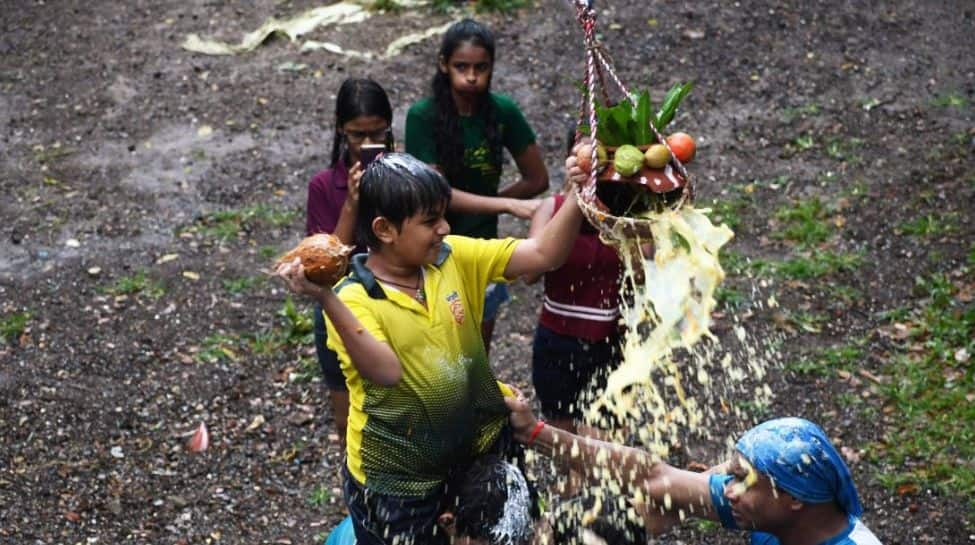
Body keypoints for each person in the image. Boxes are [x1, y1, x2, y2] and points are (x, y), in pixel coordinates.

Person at [277, 152, 586, 545]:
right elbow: (388, 372)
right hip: (399, 481)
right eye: (429, 220)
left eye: (443, 215)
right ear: (384, 229)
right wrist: (326, 299)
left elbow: (543, 255)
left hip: (480, 451)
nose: (444, 227)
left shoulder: (452, 258)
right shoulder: (354, 300)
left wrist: (579, 194)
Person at [504, 394, 883, 545]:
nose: (728, 489)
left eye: (743, 481)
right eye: (733, 476)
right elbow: (654, 478)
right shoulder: (775, 510)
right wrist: (536, 432)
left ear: (795, 499)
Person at [406, 18, 549, 352]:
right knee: (437, 348)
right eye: (461, 66)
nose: (471, 76)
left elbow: (537, 178)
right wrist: (504, 204)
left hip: (484, 248)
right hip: (432, 249)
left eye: (480, 67)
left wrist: (490, 201)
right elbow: (435, 195)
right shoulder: (422, 116)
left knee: (476, 352)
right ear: (443, 65)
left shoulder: (502, 112)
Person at [305, 78, 393, 447]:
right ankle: (356, 494)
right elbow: (325, 264)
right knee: (347, 421)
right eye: (358, 135)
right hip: (340, 305)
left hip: (392, 302)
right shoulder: (325, 185)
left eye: (377, 133)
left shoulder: (404, 175)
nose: (366, 144)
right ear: (342, 130)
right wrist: (353, 203)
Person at [525, 131, 625, 435]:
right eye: (586, 152)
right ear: (571, 157)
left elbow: (646, 265)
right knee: (564, 440)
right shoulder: (552, 208)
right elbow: (529, 273)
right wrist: (574, 198)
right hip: (559, 342)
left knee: (603, 443)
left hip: (612, 342)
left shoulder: (630, 216)